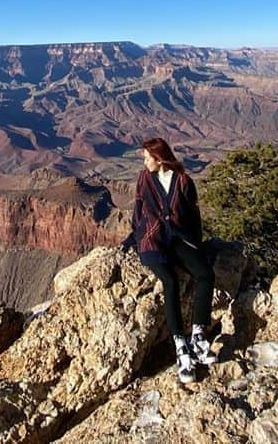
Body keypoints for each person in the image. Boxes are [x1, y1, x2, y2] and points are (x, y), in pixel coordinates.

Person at [121, 137, 216, 384]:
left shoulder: (184, 182)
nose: (144, 162)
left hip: (179, 239)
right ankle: (180, 346)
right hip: (151, 240)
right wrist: (134, 239)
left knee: (205, 274)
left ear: (159, 158)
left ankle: (198, 334)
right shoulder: (144, 178)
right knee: (170, 281)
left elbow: (194, 216)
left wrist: (195, 245)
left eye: (146, 157)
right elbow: (138, 210)